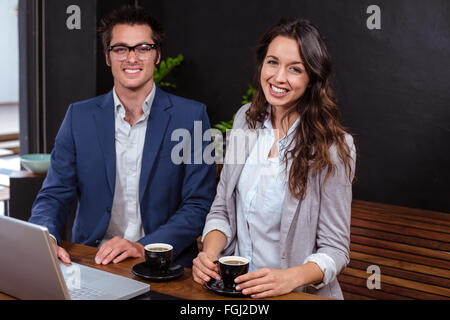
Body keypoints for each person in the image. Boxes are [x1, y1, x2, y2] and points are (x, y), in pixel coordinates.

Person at [29, 5, 216, 268]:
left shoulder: (191, 117)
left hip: (162, 263)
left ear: (157, 55)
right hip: (92, 258)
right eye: (120, 49)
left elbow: (198, 203)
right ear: (108, 57)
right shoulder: (78, 117)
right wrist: (45, 236)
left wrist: (143, 247)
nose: (132, 58)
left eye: (143, 48)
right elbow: (54, 194)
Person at [192, 18, 356, 299]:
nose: (279, 78)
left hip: (297, 295)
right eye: (272, 62)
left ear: (312, 79)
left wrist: (288, 279)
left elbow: (336, 249)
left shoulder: (333, 147)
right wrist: (209, 254)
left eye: (295, 69)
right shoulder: (246, 119)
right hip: (238, 293)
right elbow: (222, 208)